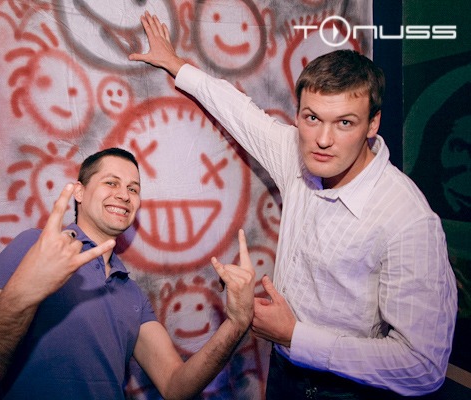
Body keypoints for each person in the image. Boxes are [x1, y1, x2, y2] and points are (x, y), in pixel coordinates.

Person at [129, 12, 458, 399]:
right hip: (284, 374)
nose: (323, 139)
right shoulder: (296, 153)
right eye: (312, 117)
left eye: (345, 123)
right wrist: (175, 64)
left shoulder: (407, 219)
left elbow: (423, 367)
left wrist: (296, 337)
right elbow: (240, 112)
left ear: (372, 124)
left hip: (348, 391)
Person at [0, 147, 256, 399]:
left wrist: (236, 323)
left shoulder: (131, 293)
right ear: (79, 192)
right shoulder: (34, 248)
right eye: (111, 182)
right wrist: (23, 293)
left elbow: (176, 385)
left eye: (133, 188)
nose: (124, 195)